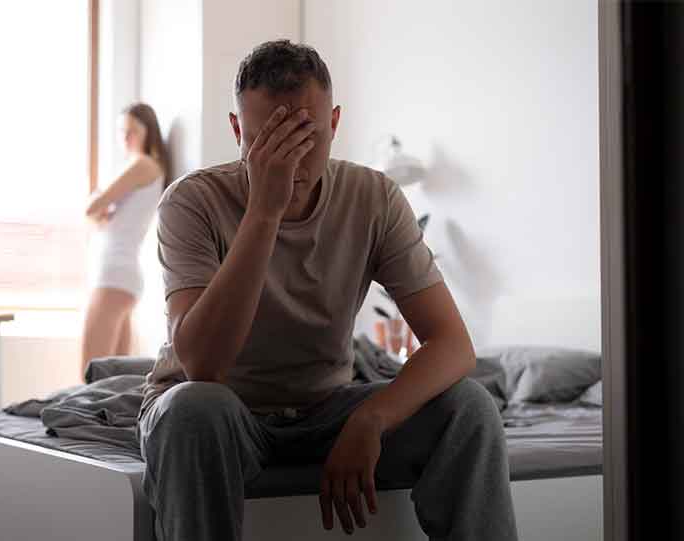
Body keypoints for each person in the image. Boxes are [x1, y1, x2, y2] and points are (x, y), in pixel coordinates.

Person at [139, 41, 518, 541]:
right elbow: (203, 366)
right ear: (236, 131)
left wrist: (370, 420)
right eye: (267, 141)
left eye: (306, 136)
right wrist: (265, 211)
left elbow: (453, 345)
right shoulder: (192, 202)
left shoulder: (374, 198)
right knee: (192, 409)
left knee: (470, 407)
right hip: (223, 409)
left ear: (334, 123)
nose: (291, 161)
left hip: (326, 407)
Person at [81, 103, 169, 378]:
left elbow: (91, 208)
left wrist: (99, 208)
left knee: (91, 373)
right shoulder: (148, 169)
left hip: (114, 274)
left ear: (148, 132)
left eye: (132, 131)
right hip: (122, 275)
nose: (126, 137)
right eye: (122, 131)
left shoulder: (141, 164)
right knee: (113, 380)